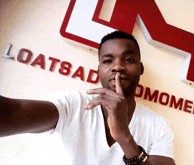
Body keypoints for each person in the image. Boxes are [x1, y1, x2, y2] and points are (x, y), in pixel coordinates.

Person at [0, 31, 176, 165]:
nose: (118, 67)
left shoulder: (158, 125)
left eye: (129, 60)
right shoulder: (72, 104)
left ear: (140, 68)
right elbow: (13, 113)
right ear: (98, 70)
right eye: (108, 61)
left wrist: (124, 136)